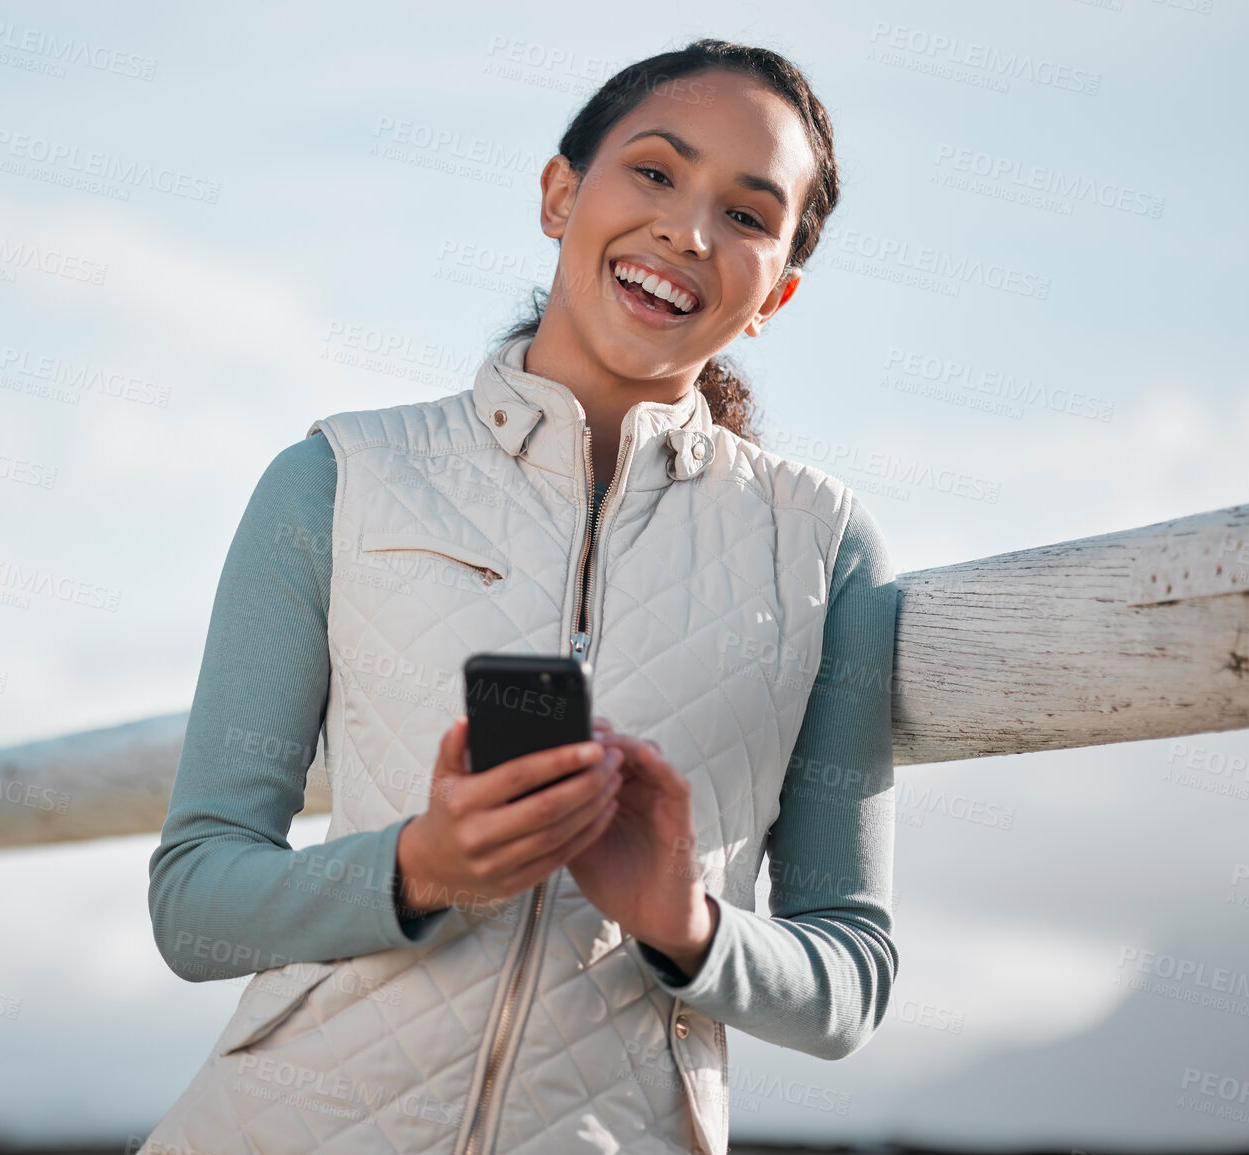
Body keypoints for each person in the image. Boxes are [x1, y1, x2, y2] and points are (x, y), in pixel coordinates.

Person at [142, 39, 899, 1155]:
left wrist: (684, 926)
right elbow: (195, 902)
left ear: (776, 292)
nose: (687, 231)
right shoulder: (338, 481)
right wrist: (417, 869)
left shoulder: (824, 549)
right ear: (559, 193)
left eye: (747, 214)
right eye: (653, 171)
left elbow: (852, 979)